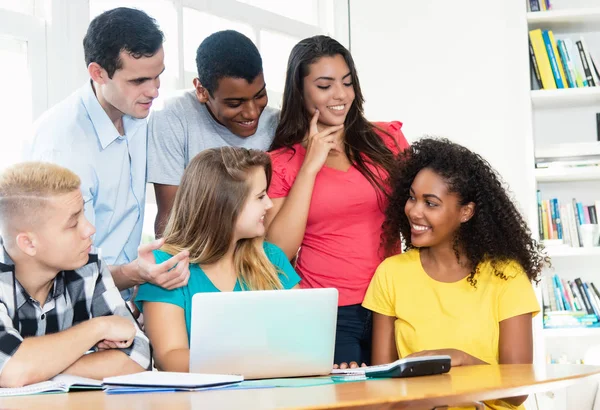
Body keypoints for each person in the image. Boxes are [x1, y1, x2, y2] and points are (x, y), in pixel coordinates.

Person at [362, 138, 547, 409]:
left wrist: (462, 360)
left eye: (431, 203)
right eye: (412, 197)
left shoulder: (506, 275)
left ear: (466, 212)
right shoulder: (391, 274)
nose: (414, 211)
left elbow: (517, 391)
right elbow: (385, 387)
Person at [265, 35, 409, 366]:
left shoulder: (388, 139)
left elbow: (424, 212)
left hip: (393, 302)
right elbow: (277, 253)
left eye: (347, 82)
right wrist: (310, 166)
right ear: (300, 92)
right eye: (325, 85)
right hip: (328, 312)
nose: (340, 95)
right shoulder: (282, 162)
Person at [27, 7, 189, 300]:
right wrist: (136, 274)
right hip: (68, 305)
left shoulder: (137, 114)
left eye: (158, 76)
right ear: (98, 73)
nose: (154, 91)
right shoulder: (62, 147)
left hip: (120, 296)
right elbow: (66, 273)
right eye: (139, 81)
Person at [135, 147, 300, 372]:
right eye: (260, 196)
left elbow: (303, 343)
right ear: (226, 205)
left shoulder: (271, 258)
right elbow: (171, 358)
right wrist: (252, 362)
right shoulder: (165, 266)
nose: (269, 204)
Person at [0, 162, 151, 388]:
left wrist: (38, 365)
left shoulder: (88, 267)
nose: (90, 229)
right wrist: (97, 328)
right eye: (73, 224)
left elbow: (139, 358)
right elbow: (11, 371)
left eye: (84, 215)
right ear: (29, 243)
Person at [148, 30, 279, 237]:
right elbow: (170, 218)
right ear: (202, 91)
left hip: (259, 254)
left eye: (260, 95)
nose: (252, 112)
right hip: (196, 255)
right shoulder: (173, 116)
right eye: (235, 103)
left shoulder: (277, 124)